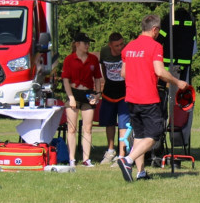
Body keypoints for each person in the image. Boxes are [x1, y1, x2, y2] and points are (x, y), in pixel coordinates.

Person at [116, 15, 189, 183]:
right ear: (154, 29)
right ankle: (127, 160)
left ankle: (140, 172)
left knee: (140, 135)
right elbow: (160, 72)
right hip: (147, 96)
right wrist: (178, 82)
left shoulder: (128, 47)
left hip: (131, 97)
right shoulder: (155, 47)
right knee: (154, 134)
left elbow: (123, 73)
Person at [61, 32, 103, 167]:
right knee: (72, 128)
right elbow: (65, 81)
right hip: (73, 92)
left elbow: (97, 78)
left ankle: (86, 159)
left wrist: (97, 94)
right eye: (85, 43)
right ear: (77, 44)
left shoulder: (93, 59)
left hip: (88, 93)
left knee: (88, 127)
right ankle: (72, 158)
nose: (88, 45)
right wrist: (71, 98)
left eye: (88, 43)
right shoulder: (69, 59)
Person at [98, 32, 128, 164]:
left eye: (121, 44)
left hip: (125, 93)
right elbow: (103, 68)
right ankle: (110, 151)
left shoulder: (127, 51)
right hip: (109, 92)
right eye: (117, 45)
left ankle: (122, 155)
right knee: (109, 122)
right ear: (110, 45)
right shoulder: (104, 52)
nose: (120, 47)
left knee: (123, 124)